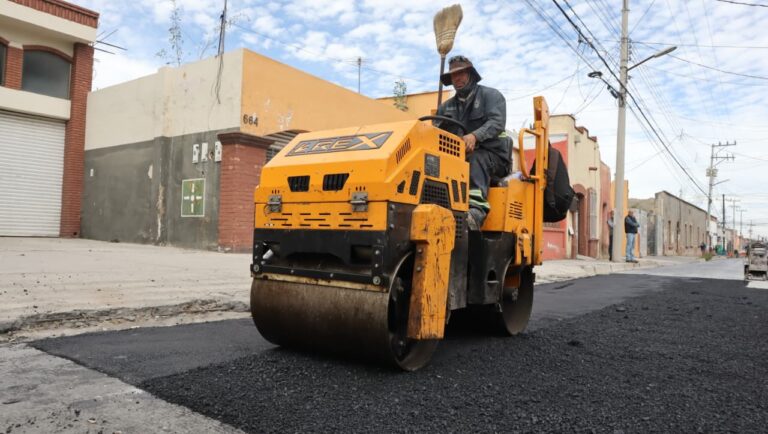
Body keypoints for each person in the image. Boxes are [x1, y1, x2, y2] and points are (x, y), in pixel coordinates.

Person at [435, 55, 509, 230]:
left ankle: (475, 212)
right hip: (459, 158)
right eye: (454, 75)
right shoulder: (445, 108)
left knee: (476, 158)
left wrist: (475, 136)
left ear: (471, 75)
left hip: (494, 157)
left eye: (461, 73)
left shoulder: (491, 96)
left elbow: (497, 123)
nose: (457, 78)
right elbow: (436, 133)